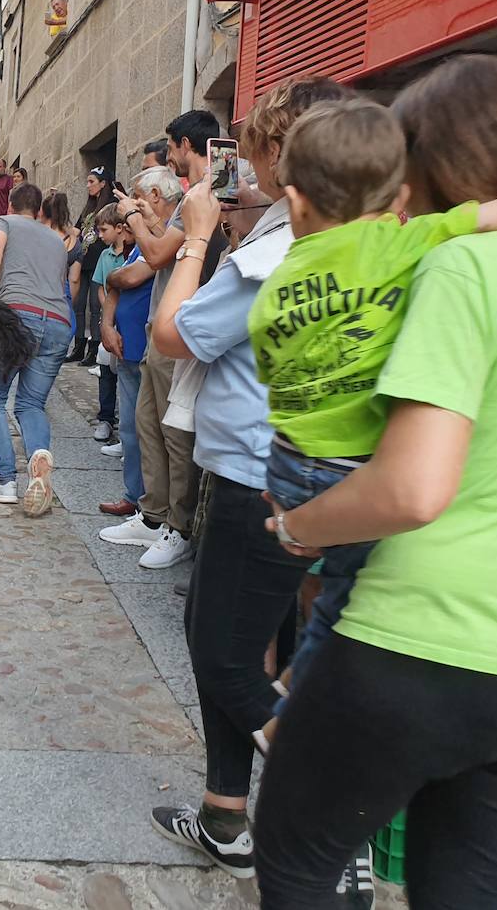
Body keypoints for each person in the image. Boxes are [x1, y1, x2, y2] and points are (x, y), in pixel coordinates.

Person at [252, 54, 497, 910]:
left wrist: (304, 528)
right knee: (463, 886)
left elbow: (413, 488)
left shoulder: (461, 270)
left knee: (301, 862)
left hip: (418, 632)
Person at [138, 76, 354, 883]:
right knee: (270, 642)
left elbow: (173, 334)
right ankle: (227, 814)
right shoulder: (347, 240)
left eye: (255, 156)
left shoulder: (274, 253)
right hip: (310, 471)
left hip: (256, 476)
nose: (240, 171)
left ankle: (333, 806)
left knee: (221, 650)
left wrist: (195, 238)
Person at [100, 136, 225, 570]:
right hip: (159, 333)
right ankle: (153, 517)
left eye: (173, 148)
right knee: (147, 424)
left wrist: (135, 218)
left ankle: (178, 525)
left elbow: (153, 257)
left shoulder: (197, 209)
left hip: (179, 336)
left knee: (174, 435)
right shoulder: (181, 212)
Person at [0, 182, 69, 518]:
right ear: (39, 210)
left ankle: (4, 481)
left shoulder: (4, 223)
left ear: (11, 205)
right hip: (58, 322)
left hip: (18, 316)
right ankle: (39, 454)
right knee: (31, 404)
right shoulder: (56, 240)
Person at [94, 205, 151, 518]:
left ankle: (148, 504)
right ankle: (133, 494)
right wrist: (107, 324)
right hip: (125, 347)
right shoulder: (135, 248)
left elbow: (125, 278)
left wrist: (116, 278)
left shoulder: (159, 239)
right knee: (129, 427)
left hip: (146, 349)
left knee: (147, 430)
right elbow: (115, 285)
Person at [70, 166, 117, 364]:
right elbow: (77, 229)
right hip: (84, 261)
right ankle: (78, 345)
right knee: (79, 305)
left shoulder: (110, 205)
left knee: (96, 306)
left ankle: (94, 347)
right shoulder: (88, 207)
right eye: (87, 181)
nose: (88, 185)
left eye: (92, 182)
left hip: (100, 261)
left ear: (103, 183)